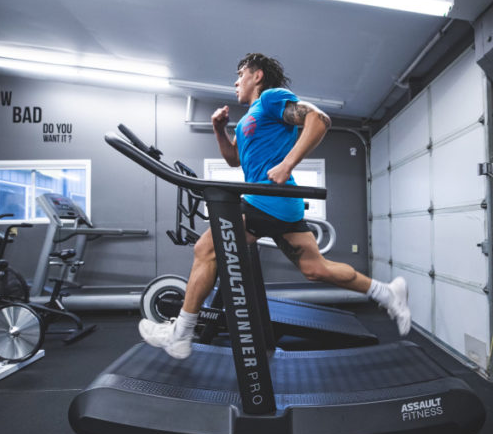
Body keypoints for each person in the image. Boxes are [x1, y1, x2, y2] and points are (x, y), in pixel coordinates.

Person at [139, 52, 411, 359]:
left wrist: (286, 164)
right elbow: (234, 160)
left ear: (257, 76)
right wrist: (220, 130)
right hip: (279, 203)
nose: (235, 81)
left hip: (267, 198)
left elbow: (319, 120)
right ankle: (387, 293)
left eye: (240, 73)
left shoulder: (271, 98)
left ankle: (181, 334)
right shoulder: (249, 120)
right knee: (315, 269)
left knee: (206, 249)